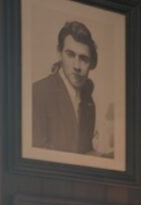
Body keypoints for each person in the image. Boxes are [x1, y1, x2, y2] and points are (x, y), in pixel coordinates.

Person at [32, 21, 98, 154]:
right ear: (59, 53)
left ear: (91, 64)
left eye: (84, 59)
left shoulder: (89, 103)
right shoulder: (38, 92)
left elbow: (85, 152)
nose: (77, 66)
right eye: (70, 55)